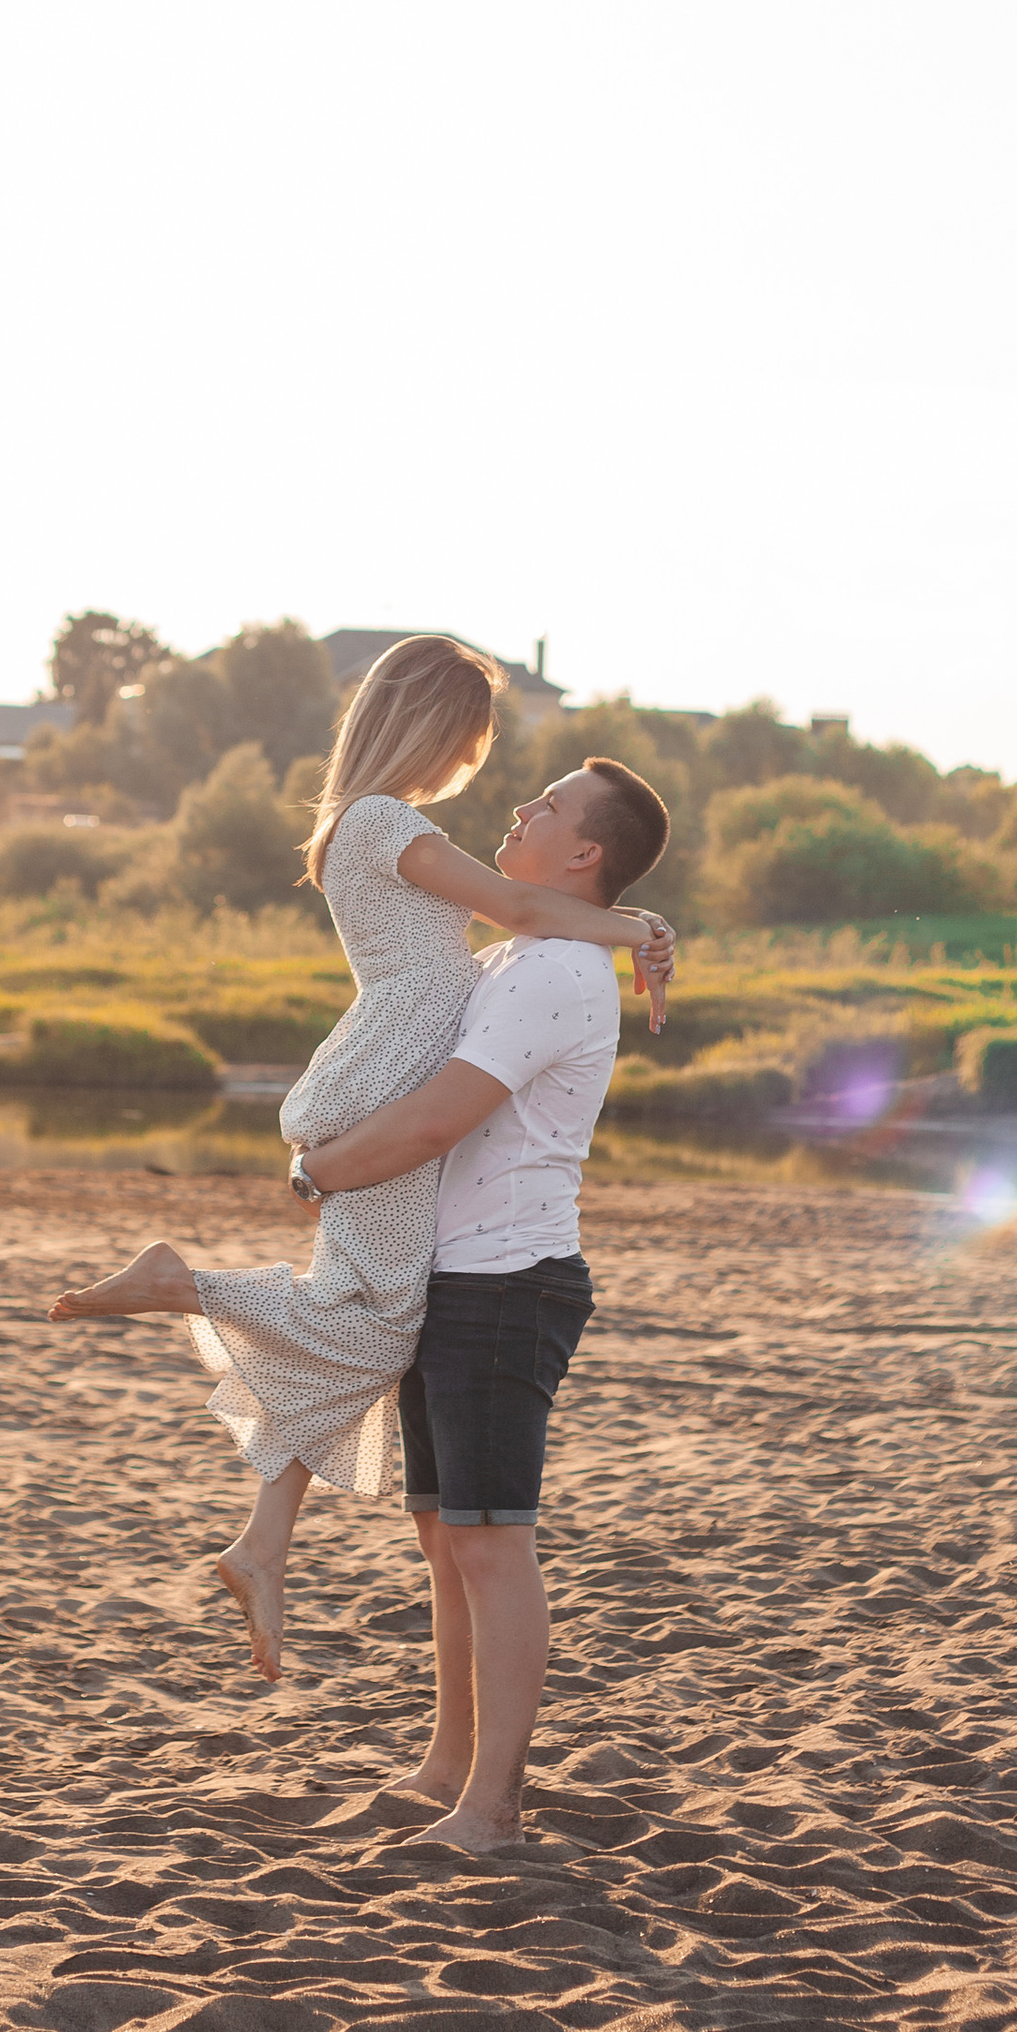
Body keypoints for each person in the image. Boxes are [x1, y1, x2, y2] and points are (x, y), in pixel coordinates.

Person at [46, 635, 672, 1680]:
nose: (483, 764)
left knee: (367, 1322)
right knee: (372, 1320)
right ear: (434, 724)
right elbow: (517, 910)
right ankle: (181, 1284)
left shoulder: (364, 823)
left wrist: (617, 931)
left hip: (381, 1053)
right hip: (388, 1073)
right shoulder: (388, 821)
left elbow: (503, 935)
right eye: (474, 735)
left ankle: (263, 1541)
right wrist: (636, 925)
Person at [288, 749, 671, 1852]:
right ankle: (447, 1765)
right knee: (443, 1535)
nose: (520, 808)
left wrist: (322, 1174)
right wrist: (643, 928)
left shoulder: (550, 973)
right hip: (452, 1279)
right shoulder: (518, 955)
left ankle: (491, 1806)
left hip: (507, 1285)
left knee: (493, 1541)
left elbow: (435, 1121)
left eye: (544, 806)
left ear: (582, 851)